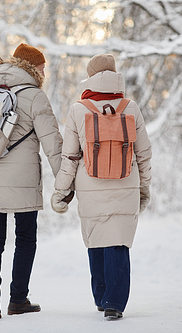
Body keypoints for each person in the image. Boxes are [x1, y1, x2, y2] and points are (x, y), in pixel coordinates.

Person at [51, 54, 152, 320]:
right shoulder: (131, 108)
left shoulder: (78, 109)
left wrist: (61, 191)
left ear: (91, 76)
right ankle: (114, 303)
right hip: (125, 183)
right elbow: (144, 154)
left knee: (96, 238)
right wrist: (144, 187)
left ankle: (100, 297)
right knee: (118, 240)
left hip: (90, 185)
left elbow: (70, 157)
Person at [0, 43, 63, 319]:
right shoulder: (35, 96)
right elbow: (53, 144)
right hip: (22, 180)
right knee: (25, 238)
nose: (45, 72)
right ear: (31, 67)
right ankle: (18, 298)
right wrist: (64, 182)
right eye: (42, 67)